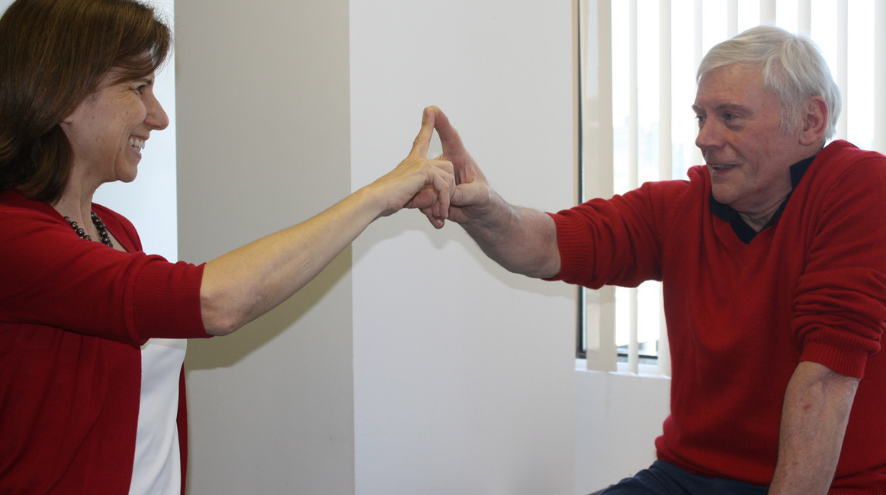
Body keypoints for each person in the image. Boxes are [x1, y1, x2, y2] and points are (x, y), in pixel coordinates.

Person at [0, 0, 454, 493]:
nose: (159, 117)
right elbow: (215, 301)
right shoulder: (13, 238)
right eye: (138, 88)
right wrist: (376, 197)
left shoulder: (116, 232)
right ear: (64, 95)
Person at [428, 25, 886, 494]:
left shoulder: (859, 188)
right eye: (700, 117)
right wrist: (483, 210)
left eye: (731, 117)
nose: (705, 138)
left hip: (831, 484)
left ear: (810, 122)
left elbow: (828, 377)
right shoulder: (677, 209)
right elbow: (547, 244)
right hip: (686, 477)